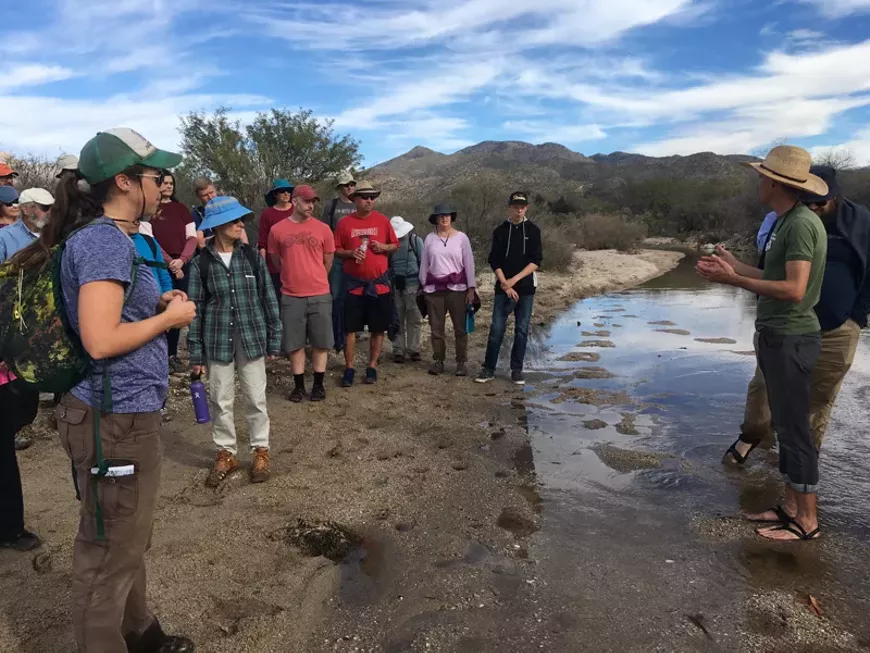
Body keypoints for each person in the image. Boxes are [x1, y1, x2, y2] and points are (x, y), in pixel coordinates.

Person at [21, 127, 195, 651]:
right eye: (156, 176)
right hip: (113, 422)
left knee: (126, 539)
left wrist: (155, 305)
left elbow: (109, 316)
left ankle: (138, 634)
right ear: (124, 181)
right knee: (106, 552)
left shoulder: (110, 238)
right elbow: (100, 340)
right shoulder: (102, 241)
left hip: (121, 415)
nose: (163, 186)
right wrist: (169, 321)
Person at [697, 145, 828, 542]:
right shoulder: (785, 223)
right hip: (778, 336)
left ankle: (807, 522)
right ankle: (790, 508)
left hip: (791, 337)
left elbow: (794, 289)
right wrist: (733, 266)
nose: (758, 181)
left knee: (794, 429)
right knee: (786, 427)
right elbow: (771, 276)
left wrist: (733, 280)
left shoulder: (800, 224)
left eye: (762, 176)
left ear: (774, 183)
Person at [724, 165, 870, 467]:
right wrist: (739, 273)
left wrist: (856, 316)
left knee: (818, 401)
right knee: (763, 392)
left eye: (820, 202)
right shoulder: (788, 219)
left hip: (838, 328)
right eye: (807, 201)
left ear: (835, 195)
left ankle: (801, 466)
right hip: (786, 326)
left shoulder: (860, 222)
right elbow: (771, 268)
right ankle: (753, 436)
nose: (813, 208)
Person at [189, 196, 282, 487]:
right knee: (220, 399)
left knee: (256, 397)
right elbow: (195, 310)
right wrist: (195, 354)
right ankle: (226, 452)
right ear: (218, 225)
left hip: (252, 336)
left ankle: (260, 451)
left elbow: (268, 298)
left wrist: (275, 338)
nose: (241, 224)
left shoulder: (252, 258)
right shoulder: (201, 264)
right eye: (235, 220)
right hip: (217, 340)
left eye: (241, 219)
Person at [268, 185, 335, 402]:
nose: (311, 205)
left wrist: (316, 277)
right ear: (294, 201)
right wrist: (293, 276)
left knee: (320, 342)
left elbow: (328, 260)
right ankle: (298, 387)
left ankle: (318, 385)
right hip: (291, 295)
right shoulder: (277, 230)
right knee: (294, 343)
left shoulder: (323, 229)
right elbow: (276, 260)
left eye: (313, 201)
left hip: (320, 293)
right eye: (306, 201)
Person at [334, 181, 398, 386]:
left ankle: (372, 366)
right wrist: (351, 253)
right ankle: (349, 367)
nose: (369, 200)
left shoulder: (382, 221)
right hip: (354, 286)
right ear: (355, 199)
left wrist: (383, 247)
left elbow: (395, 244)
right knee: (350, 329)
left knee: (378, 328)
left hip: (379, 285)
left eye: (372, 197)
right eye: (365, 197)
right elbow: (336, 249)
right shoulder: (344, 223)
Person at [475, 191, 543, 385]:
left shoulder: (533, 231)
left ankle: (516, 370)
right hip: (502, 288)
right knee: (497, 328)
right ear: (510, 208)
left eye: (522, 206)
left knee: (521, 329)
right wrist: (505, 284)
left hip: (526, 288)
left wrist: (514, 280)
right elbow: (494, 260)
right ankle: (488, 369)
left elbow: (536, 261)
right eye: (515, 206)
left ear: (526, 208)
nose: (518, 210)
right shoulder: (500, 231)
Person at [418, 204, 476, 376]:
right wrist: (424, 285)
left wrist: (471, 288)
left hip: (457, 288)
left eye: (447, 215)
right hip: (434, 289)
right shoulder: (430, 239)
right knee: (436, 328)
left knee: (460, 327)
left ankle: (461, 362)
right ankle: (438, 360)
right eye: (441, 215)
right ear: (436, 219)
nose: (444, 218)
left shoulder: (462, 238)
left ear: (451, 217)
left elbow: (469, 263)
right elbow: (424, 263)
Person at [150, 171, 197, 373]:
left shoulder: (181, 209)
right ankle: (158, 356)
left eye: (171, 183)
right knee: (161, 308)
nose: (169, 186)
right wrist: (170, 263)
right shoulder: (151, 209)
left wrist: (182, 261)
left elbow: (192, 238)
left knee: (179, 306)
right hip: (160, 265)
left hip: (183, 264)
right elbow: (150, 239)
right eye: (165, 183)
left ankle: (172, 355)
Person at [323, 172, 357, 345]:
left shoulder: (358, 204)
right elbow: (324, 229)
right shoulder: (332, 205)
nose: (349, 187)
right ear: (339, 187)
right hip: (337, 255)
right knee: (336, 293)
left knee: (355, 293)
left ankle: (354, 328)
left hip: (356, 256)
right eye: (346, 185)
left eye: (352, 184)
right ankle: (335, 331)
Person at [388, 216, 424, 364]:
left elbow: (423, 262)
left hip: (412, 284)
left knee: (413, 318)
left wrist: (423, 284)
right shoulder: (388, 244)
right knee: (398, 318)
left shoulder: (415, 241)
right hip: (395, 285)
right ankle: (399, 350)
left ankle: (413, 349)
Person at [258, 178, 294, 299]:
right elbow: (262, 241)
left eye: (288, 191)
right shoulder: (267, 214)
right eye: (282, 191)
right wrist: (263, 265)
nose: (286, 193)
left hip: (296, 262)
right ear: (275, 194)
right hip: (275, 265)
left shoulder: (297, 210)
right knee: (278, 298)